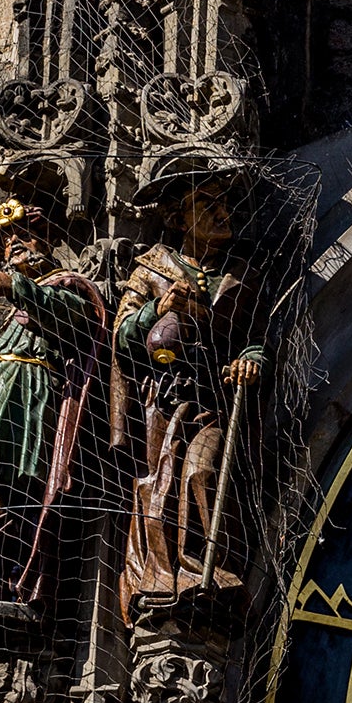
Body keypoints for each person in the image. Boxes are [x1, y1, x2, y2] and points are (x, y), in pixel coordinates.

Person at [0, 200, 106, 611]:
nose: (13, 245)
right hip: (4, 396)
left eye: (21, 235)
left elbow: (75, 318)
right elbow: (0, 367)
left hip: (33, 400)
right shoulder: (15, 313)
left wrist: (12, 287)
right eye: (6, 240)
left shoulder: (65, 285)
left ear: (45, 238)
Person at [116, 155, 265, 619]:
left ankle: (207, 567)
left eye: (225, 203)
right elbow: (121, 337)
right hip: (163, 400)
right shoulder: (151, 270)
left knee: (202, 471)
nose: (223, 213)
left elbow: (256, 338)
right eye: (207, 203)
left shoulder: (240, 276)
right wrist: (155, 308)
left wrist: (250, 360)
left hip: (214, 400)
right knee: (160, 485)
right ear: (179, 218)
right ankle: (164, 575)